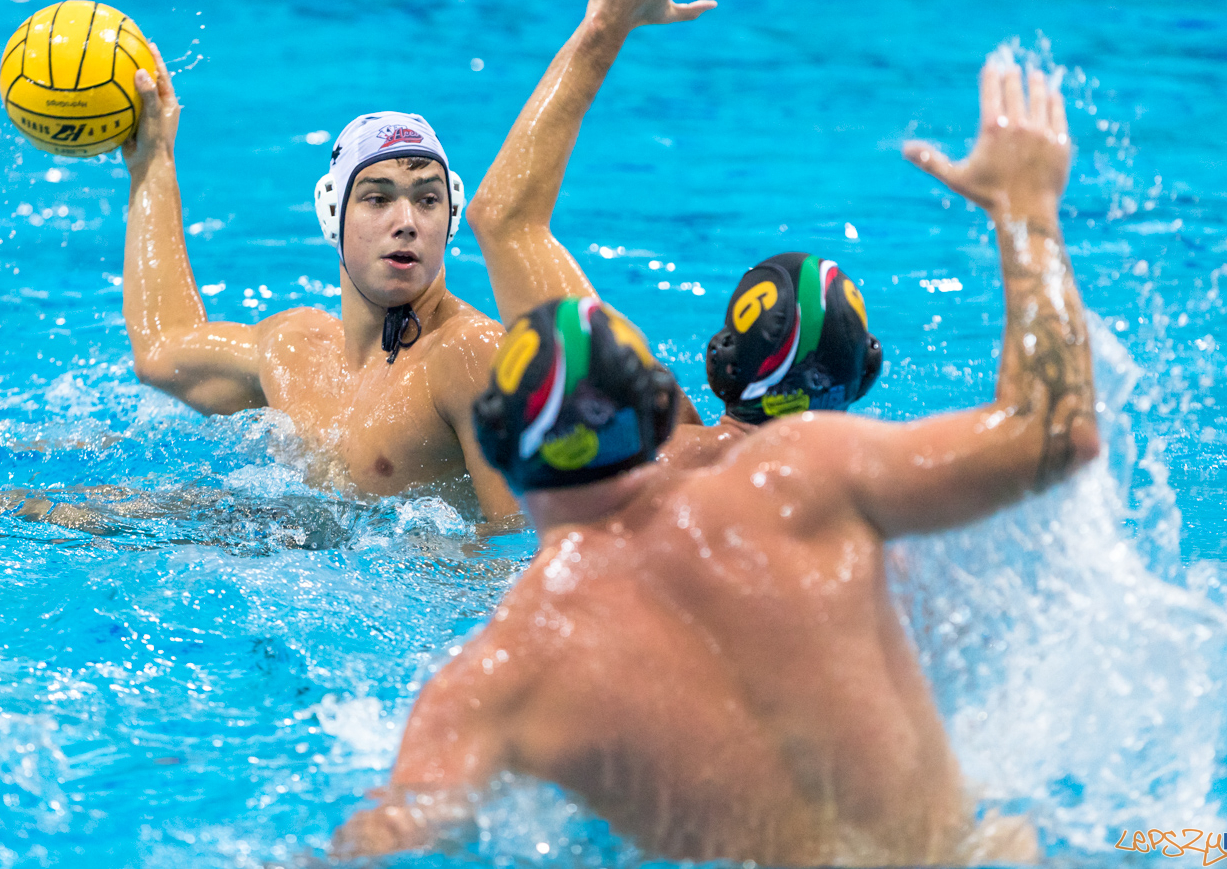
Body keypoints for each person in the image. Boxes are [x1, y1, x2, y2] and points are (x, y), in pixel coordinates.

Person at [335, 49, 1098, 865]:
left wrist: (605, 26)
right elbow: (1058, 432)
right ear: (660, 405)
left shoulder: (500, 675)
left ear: (502, 454)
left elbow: (385, 836)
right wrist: (1026, 207)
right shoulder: (810, 473)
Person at [465, 0, 883, 471]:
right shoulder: (877, 489)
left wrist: (605, 26)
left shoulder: (648, 458)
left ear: (723, 362)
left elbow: (505, 217)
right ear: (860, 376)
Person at [118, 53, 516, 520]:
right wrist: (152, 164)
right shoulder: (296, 350)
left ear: (449, 217)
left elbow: (523, 550)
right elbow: (161, 350)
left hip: (414, 585)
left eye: (428, 199)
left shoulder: (470, 356)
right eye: (378, 199)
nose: (407, 223)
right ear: (333, 215)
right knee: (70, 511)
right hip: (296, 559)